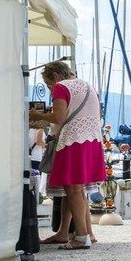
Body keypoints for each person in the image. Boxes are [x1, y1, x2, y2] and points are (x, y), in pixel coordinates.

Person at [31, 60, 106, 248]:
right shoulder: (89, 86)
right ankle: (68, 233)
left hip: (71, 141)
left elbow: (58, 117)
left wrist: (37, 115)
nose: (50, 90)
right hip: (91, 139)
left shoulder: (61, 87)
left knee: (72, 189)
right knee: (76, 189)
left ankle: (81, 237)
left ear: (56, 76)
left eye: (49, 85)